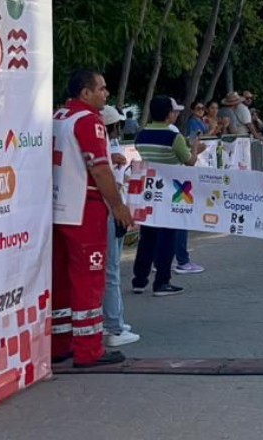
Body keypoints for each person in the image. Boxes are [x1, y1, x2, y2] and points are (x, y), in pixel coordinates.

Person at [50, 70, 133, 367]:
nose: (106, 93)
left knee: (60, 279)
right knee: (89, 280)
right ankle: (88, 349)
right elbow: (99, 170)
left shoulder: (58, 116)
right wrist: (119, 206)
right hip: (84, 209)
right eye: (101, 88)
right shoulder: (88, 121)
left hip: (57, 208)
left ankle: (60, 343)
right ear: (86, 93)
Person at [132, 95, 206, 296]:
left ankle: (139, 279)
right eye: (174, 111)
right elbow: (189, 161)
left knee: (147, 237)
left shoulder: (141, 135)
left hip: (149, 190)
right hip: (171, 191)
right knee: (167, 237)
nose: (175, 114)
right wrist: (195, 147)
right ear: (167, 113)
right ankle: (162, 281)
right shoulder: (174, 138)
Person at [99, 105, 139, 348]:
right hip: (110, 210)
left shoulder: (105, 148)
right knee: (111, 271)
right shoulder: (106, 149)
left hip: (107, 209)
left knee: (109, 271)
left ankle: (113, 320)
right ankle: (113, 324)